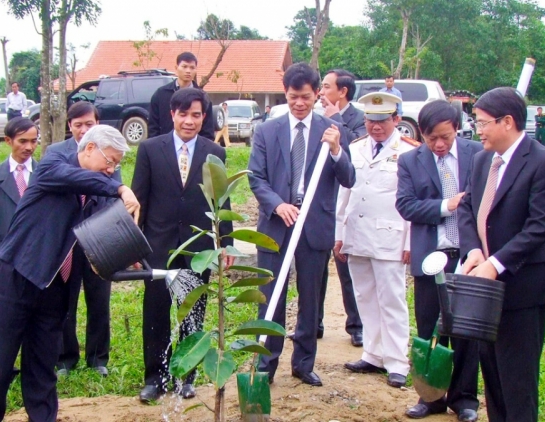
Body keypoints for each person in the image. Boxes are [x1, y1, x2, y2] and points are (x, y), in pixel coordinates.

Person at [0, 125, 140, 422]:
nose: (112, 170)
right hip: (20, 274)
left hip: (58, 285)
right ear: (89, 149)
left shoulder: (96, 189)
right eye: (109, 161)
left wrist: (127, 250)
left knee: (43, 363)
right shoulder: (53, 164)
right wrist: (120, 187)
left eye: (117, 166)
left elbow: (100, 229)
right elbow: (73, 179)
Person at [460, 87, 545, 422]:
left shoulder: (544, 162)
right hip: (486, 290)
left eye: (483, 122)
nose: (478, 129)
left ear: (507, 122)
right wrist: (474, 250)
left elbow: (539, 226)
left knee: (517, 380)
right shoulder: (481, 160)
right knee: (491, 375)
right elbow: (466, 208)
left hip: (522, 289)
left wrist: (496, 263)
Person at [248, 62, 355, 387]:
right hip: (276, 226)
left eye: (306, 97)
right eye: (293, 96)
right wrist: (277, 204)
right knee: (271, 295)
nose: (299, 103)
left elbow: (348, 177)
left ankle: (303, 363)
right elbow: (256, 177)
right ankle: (266, 362)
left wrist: (336, 150)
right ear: (286, 94)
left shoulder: (331, 130)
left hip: (314, 227)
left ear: (317, 94)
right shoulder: (267, 131)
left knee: (310, 298)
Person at [132, 87, 234, 402]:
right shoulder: (149, 149)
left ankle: (185, 378)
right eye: (183, 114)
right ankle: (154, 378)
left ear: (204, 118)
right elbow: (139, 200)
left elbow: (221, 201)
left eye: (196, 115)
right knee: (156, 312)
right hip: (159, 246)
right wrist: (136, 245)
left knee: (192, 314)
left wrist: (225, 245)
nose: (189, 121)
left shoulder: (214, 152)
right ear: (172, 115)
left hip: (198, 249)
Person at [395, 100, 481, 422]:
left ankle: (465, 400)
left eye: (445, 137)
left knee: (465, 332)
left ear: (457, 129)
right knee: (429, 328)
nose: (439, 144)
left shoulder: (477, 155)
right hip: (431, 257)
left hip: (469, 258)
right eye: (432, 138)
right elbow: (406, 205)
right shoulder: (410, 161)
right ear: (423, 133)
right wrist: (447, 204)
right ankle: (430, 397)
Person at [337, 92, 416, 389]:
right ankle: (373, 353)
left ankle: (397, 361)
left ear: (396, 119)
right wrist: (339, 235)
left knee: (392, 300)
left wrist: (409, 242)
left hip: (390, 237)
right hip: (357, 234)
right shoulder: (356, 148)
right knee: (365, 297)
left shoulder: (408, 151)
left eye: (382, 120)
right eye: (371, 120)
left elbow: (411, 199)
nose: (376, 127)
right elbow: (344, 194)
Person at [50, 101, 120, 378]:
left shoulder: (110, 153)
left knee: (99, 300)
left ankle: (98, 357)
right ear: (69, 126)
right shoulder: (57, 154)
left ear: (97, 124)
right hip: (66, 240)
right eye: (77, 125)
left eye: (88, 124)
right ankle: (65, 358)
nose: (83, 129)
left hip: (99, 238)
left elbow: (114, 195)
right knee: (64, 302)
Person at [318, 68, 366, 346]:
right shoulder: (316, 117)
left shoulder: (360, 119)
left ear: (342, 91)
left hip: (346, 200)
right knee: (315, 268)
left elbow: (353, 150)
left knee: (345, 264)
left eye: (326, 87)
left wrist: (335, 120)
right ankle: (314, 322)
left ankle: (356, 325)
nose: (322, 93)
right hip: (322, 202)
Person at [0, 118, 39, 284]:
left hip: (36, 255)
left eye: (33, 141)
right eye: (22, 141)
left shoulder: (43, 174)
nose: (29, 147)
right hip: (5, 254)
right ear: (8, 140)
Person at [148, 52, 215, 140]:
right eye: (184, 66)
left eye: (192, 67)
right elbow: (153, 128)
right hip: (164, 148)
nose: (188, 71)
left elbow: (208, 132)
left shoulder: (203, 98)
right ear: (176, 68)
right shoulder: (161, 94)